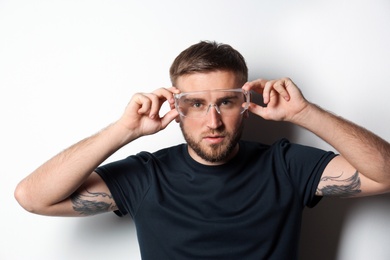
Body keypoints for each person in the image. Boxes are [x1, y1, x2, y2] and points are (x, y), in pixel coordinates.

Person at [15, 41, 390, 259]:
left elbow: (385, 175)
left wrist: (306, 113)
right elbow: (33, 197)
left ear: (246, 103)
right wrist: (123, 130)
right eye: (196, 104)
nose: (213, 121)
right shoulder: (147, 176)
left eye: (225, 102)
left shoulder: (285, 165)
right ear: (175, 108)